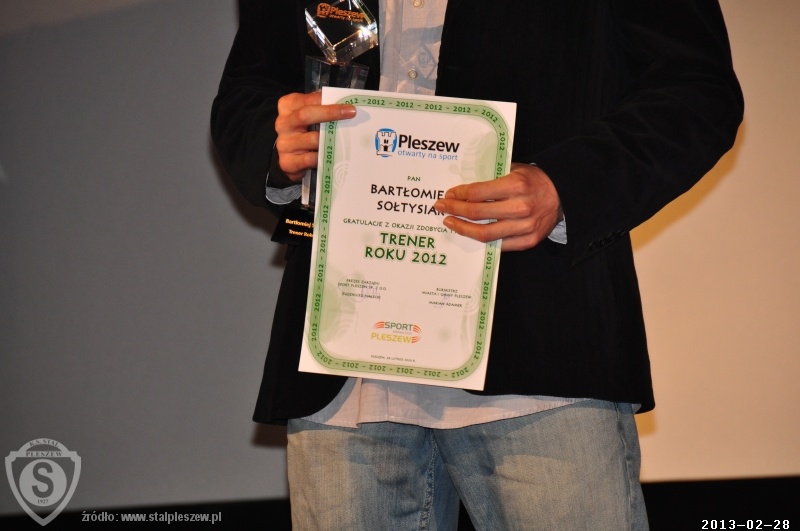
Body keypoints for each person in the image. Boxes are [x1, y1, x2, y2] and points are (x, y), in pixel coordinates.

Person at [211, 0, 743, 528]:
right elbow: (248, 87)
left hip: (542, 344)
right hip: (341, 361)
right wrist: (275, 144)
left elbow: (695, 87)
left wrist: (566, 186)